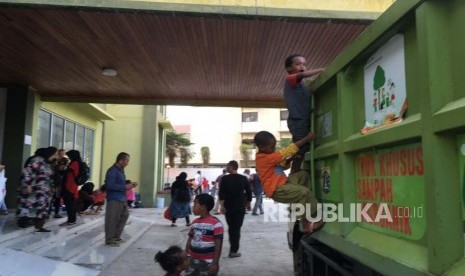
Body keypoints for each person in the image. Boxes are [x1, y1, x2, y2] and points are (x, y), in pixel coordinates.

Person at [254, 130, 324, 233]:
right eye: (272, 147)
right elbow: (287, 151)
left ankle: (300, 205)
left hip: (284, 183)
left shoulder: (268, 157)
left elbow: (282, 166)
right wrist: (307, 139)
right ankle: (312, 217)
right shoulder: (264, 158)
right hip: (277, 189)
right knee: (305, 192)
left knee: (302, 175)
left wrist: (291, 159)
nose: (274, 149)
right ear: (262, 147)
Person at [284, 54, 325, 174]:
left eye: (304, 64)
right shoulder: (290, 79)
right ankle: (294, 176)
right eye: (297, 64)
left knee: (302, 150)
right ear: (288, 69)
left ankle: (293, 171)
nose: (302, 66)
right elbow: (301, 75)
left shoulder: (302, 85)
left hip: (302, 119)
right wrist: (321, 70)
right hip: (298, 120)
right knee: (300, 151)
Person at [16, 147, 58, 232]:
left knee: (41, 209)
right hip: (34, 190)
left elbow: (51, 177)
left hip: (45, 191)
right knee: (28, 206)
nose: (57, 156)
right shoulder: (37, 160)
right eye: (55, 154)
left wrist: (53, 187)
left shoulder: (49, 163)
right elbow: (28, 172)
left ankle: (39, 226)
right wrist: (26, 185)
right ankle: (22, 222)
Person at [219, 160, 252, 258]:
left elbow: (221, 193)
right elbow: (249, 191)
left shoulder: (225, 179)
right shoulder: (243, 178)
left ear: (232, 167)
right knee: (236, 228)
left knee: (231, 227)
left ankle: (233, 249)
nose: (226, 168)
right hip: (239, 207)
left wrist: (222, 205)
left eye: (227, 166)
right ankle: (233, 250)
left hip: (228, 207)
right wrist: (248, 203)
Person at [104, 152, 137, 246]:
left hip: (122, 198)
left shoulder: (120, 170)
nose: (127, 163)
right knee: (112, 219)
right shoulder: (112, 171)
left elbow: (120, 184)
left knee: (125, 215)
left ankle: (116, 236)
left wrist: (129, 185)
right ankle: (109, 240)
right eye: (126, 161)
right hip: (114, 199)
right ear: (120, 160)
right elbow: (109, 185)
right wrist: (125, 187)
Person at [185, 194, 223, 276]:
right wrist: (186, 255)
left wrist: (215, 263)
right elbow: (190, 239)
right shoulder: (195, 222)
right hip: (192, 260)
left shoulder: (216, 223)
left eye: (195, 204)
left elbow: (218, 244)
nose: (193, 207)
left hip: (208, 262)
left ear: (202, 207)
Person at [59, 149, 82, 226]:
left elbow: (65, 171)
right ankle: (71, 220)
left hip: (70, 186)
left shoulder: (74, 163)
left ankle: (71, 220)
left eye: (69, 156)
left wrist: (62, 166)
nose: (68, 157)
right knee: (70, 203)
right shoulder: (77, 162)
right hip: (71, 186)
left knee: (70, 204)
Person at [50, 149, 68, 218]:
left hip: (60, 181)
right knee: (51, 197)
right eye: (60, 153)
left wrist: (61, 168)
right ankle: (47, 213)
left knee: (58, 197)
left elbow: (64, 168)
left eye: (63, 153)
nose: (61, 154)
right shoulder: (54, 159)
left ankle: (56, 213)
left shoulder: (65, 160)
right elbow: (54, 168)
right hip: (53, 180)